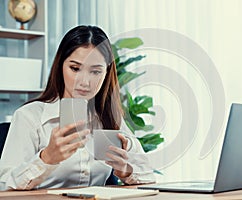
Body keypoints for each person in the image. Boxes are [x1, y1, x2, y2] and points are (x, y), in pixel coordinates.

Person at [0, 25, 155, 190]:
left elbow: (148, 177)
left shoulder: (108, 118)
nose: (84, 82)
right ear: (60, 67)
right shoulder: (30, 116)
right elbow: (4, 186)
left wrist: (126, 171)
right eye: (75, 68)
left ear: (106, 73)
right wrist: (46, 158)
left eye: (95, 72)